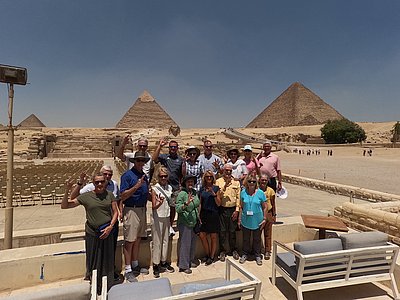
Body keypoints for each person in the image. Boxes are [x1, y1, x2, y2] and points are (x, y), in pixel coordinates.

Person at [62, 173, 118, 294]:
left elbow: (115, 212)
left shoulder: (110, 195)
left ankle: (108, 284)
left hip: (107, 231)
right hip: (92, 232)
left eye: (102, 181)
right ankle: (95, 284)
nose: (99, 184)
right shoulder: (86, 196)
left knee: (107, 258)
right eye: (97, 182)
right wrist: (67, 189)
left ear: (105, 182)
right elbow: (65, 205)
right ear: (93, 183)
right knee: (93, 258)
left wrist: (110, 227)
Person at [70, 165, 121, 281]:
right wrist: (79, 183)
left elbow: (117, 204)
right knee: (93, 254)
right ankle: (93, 277)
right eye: (105, 174)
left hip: (110, 226)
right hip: (94, 229)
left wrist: (112, 225)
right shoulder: (89, 189)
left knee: (109, 253)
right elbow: (73, 198)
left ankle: (108, 275)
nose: (107, 177)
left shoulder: (113, 186)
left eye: (109, 174)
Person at [120, 151, 150, 282]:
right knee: (130, 241)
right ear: (134, 162)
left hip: (142, 210)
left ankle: (135, 264)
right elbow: (123, 195)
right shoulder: (127, 176)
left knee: (138, 239)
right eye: (138, 161)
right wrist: (136, 186)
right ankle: (127, 269)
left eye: (143, 161)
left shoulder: (144, 176)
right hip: (131, 210)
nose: (141, 163)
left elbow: (145, 193)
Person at [152, 138, 184, 236]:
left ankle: (169, 226)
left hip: (174, 187)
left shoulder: (180, 159)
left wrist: (181, 185)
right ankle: (162, 226)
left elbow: (182, 174)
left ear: (177, 148)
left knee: (172, 208)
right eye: (171, 147)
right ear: (169, 148)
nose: (173, 149)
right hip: (164, 187)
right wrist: (160, 146)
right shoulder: (165, 157)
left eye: (175, 147)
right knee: (162, 206)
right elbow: (154, 159)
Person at [151, 167, 175, 278]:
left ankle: (164, 261)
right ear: (158, 177)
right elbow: (154, 206)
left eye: (165, 176)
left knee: (166, 240)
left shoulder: (169, 187)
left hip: (166, 215)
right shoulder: (155, 188)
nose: (163, 178)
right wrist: (159, 203)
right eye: (161, 176)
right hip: (158, 217)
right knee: (157, 241)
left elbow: (171, 203)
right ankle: (156, 264)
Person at [238, 174, 267, 266]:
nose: (251, 183)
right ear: (247, 182)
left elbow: (265, 207)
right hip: (246, 220)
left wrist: (264, 218)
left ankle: (257, 255)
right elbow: (241, 206)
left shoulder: (260, 193)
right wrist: (239, 219)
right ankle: (245, 254)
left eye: (253, 182)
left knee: (257, 239)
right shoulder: (243, 192)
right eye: (249, 181)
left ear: (256, 183)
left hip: (257, 220)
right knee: (246, 239)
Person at [175, 175, 201, 274]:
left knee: (192, 243)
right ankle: (183, 265)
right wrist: (186, 204)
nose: (190, 183)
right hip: (185, 222)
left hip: (193, 222)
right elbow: (177, 208)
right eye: (188, 182)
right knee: (185, 244)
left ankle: (190, 260)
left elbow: (197, 204)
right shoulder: (182, 194)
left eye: (192, 182)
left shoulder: (194, 192)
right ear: (185, 183)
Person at [215, 164, 241, 261]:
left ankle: (233, 249)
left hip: (233, 209)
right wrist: (225, 186)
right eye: (226, 170)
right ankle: (222, 251)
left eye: (230, 170)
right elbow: (218, 196)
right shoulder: (218, 182)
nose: (228, 172)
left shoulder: (236, 183)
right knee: (222, 231)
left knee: (232, 231)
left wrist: (237, 210)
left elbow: (238, 197)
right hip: (222, 209)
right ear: (223, 170)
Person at [198, 170, 221, 265]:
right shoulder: (202, 189)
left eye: (210, 177)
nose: (209, 178)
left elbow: (219, 203)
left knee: (213, 237)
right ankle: (207, 254)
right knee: (202, 235)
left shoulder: (216, 188)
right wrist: (198, 215)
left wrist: (214, 195)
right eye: (207, 177)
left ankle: (211, 256)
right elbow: (200, 203)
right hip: (204, 214)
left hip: (213, 214)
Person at [258, 174, 276, 260]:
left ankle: (267, 251)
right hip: (259, 214)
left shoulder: (270, 191)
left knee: (268, 233)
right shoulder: (256, 190)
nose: (263, 182)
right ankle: (257, 250)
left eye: (265, 180)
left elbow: (273, 203)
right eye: (262, 180)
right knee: (257, 233)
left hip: (268, 213)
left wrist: (274, 214)